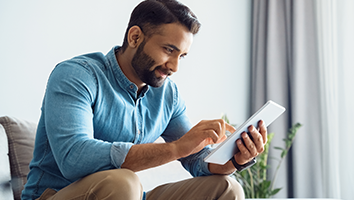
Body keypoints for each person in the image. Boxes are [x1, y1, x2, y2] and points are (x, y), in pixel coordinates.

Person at [22, 0, 268, 199]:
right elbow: (73, 159)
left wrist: (236, 159)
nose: (174, 67)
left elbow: (196, 161)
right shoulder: (77, 75)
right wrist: (174, 148)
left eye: (181, 56)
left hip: (129, 195)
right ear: (135, 37)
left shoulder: (167, 95)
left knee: (227, 188)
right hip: (57, 194)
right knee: (124, 181)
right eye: (168, 50)